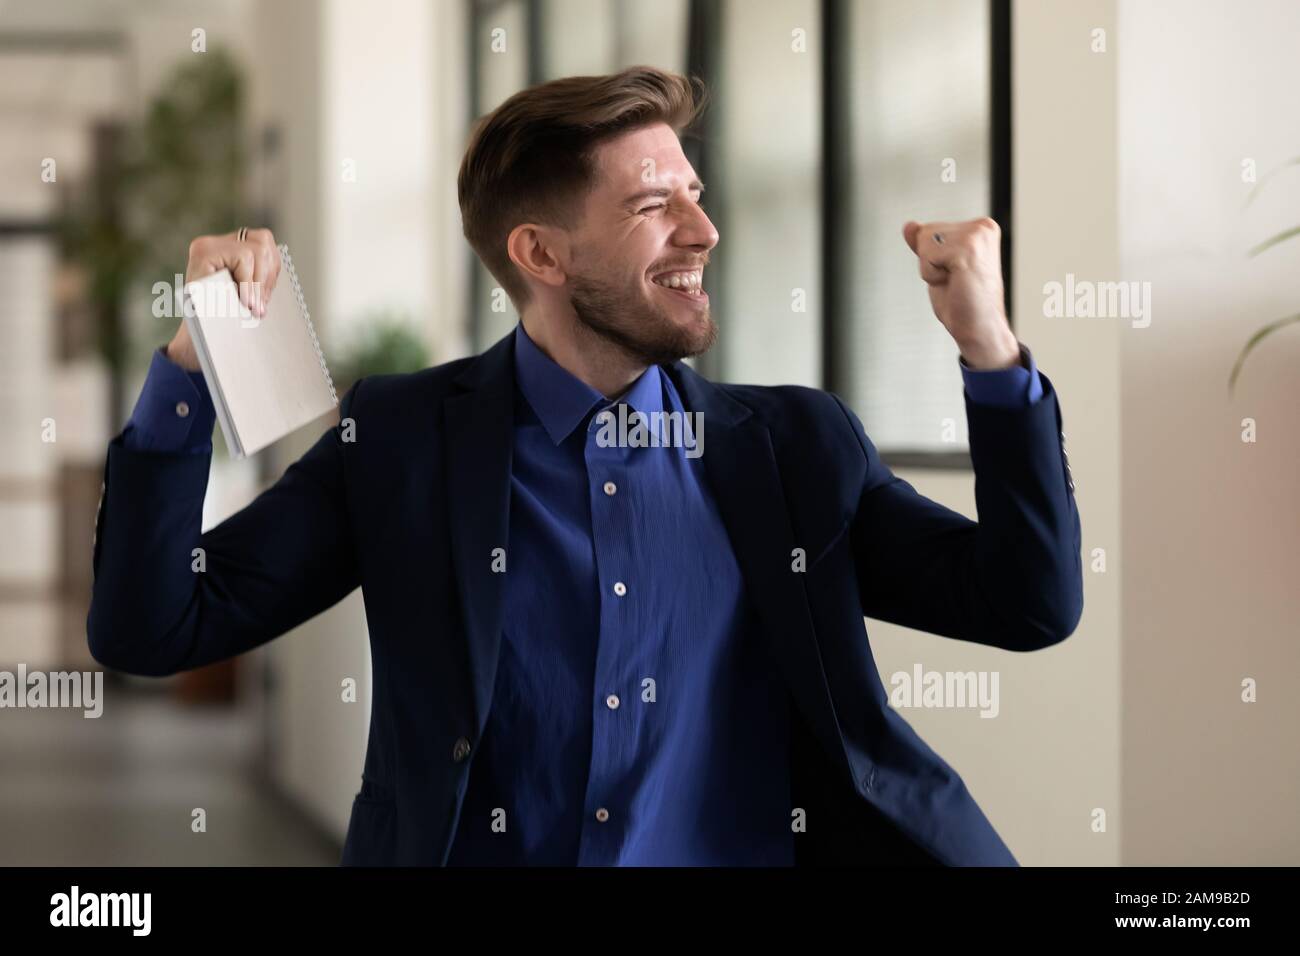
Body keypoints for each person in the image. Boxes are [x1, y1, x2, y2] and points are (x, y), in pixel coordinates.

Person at [87, 66, 1082, 866]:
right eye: (655, 205)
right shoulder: (398, 440)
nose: (704, 230)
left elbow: (1027, 604)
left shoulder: (796, 450)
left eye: (695, 194)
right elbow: (154, 623)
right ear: (542, 255)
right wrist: (192, 364)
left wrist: (990, 352)